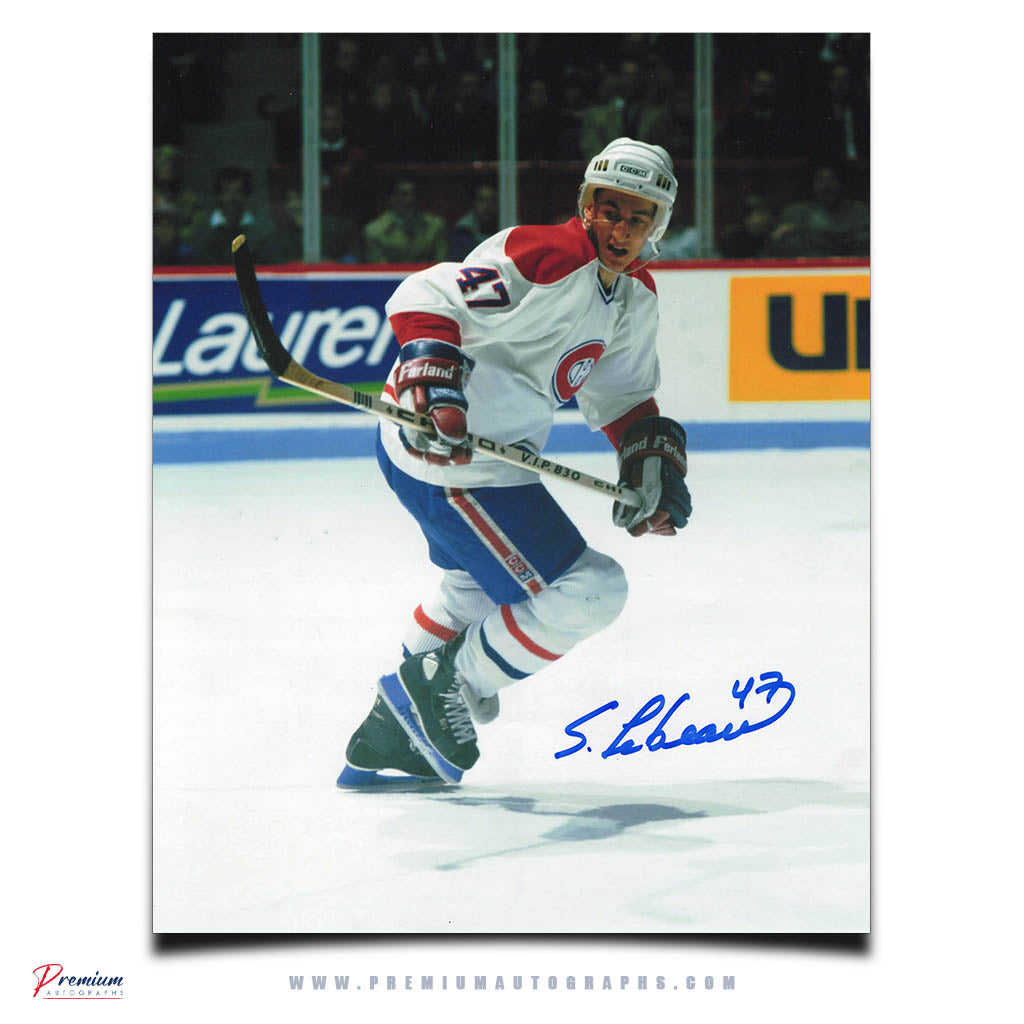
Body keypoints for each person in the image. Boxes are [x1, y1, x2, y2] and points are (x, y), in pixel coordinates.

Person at [339, 137, 693, 787]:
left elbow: (621, 396)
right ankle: (443, 684)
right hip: (450, 460)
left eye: (637, 217)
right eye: (608, 209)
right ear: (586, 206)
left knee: (475, 589)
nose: (619, 228)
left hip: (486, 462)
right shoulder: (546, 255)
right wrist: (434, 382)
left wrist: (648, 460)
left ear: (658, 227)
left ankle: (390, 728)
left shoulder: (635, 298)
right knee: (592, 590)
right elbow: (426, 293)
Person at [765, 165, 869, 257]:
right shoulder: (794, 213)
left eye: (832, 178)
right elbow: (775, 248)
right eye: (820, 179)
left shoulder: (859, 212)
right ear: (811, 183)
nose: (826, 185)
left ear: (841, 182)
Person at [362, 179, 448, 264]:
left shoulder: (435, 226)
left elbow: (440, 263)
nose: (409, 200)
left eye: (414, 194)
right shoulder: (374, 231)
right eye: (403, 195)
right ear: (391, 198)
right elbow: (379, 269)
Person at [447, 183, 498, 261]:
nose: (487, 206)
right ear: (473, 203)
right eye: (482, 200)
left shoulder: (507, 228)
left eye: (493, 200)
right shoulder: (460, 234)